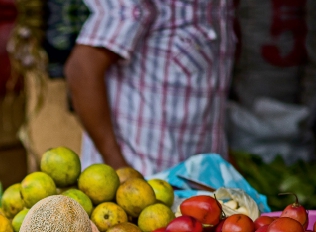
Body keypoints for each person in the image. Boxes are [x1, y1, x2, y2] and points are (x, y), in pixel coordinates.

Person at [64, 0, 236, 176]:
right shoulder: (140, 7)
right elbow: (82, 69)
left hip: (198, 179)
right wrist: (119, 168)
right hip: (142, 176)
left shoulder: (218, 10)